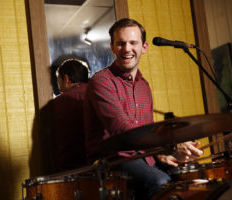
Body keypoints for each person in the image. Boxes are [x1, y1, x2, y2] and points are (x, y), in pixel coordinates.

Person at [84, 18, 203, 199]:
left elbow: (145, 132)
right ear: (112, 47)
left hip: (143, 157)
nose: (127, 49)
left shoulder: (144, 86)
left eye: (133, 43)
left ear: (144, 47)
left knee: (191, 176)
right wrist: (170, 144)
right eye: (121, 43)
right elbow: (121, 129)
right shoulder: (101, 81)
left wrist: (160, 155)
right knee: (160, 182)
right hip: (113, 160)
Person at [53, 58, 89, 171]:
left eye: (58, 80)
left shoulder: (59, 102)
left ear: (66, 79)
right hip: (101, 163)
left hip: (72, 168)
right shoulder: (98, 93)